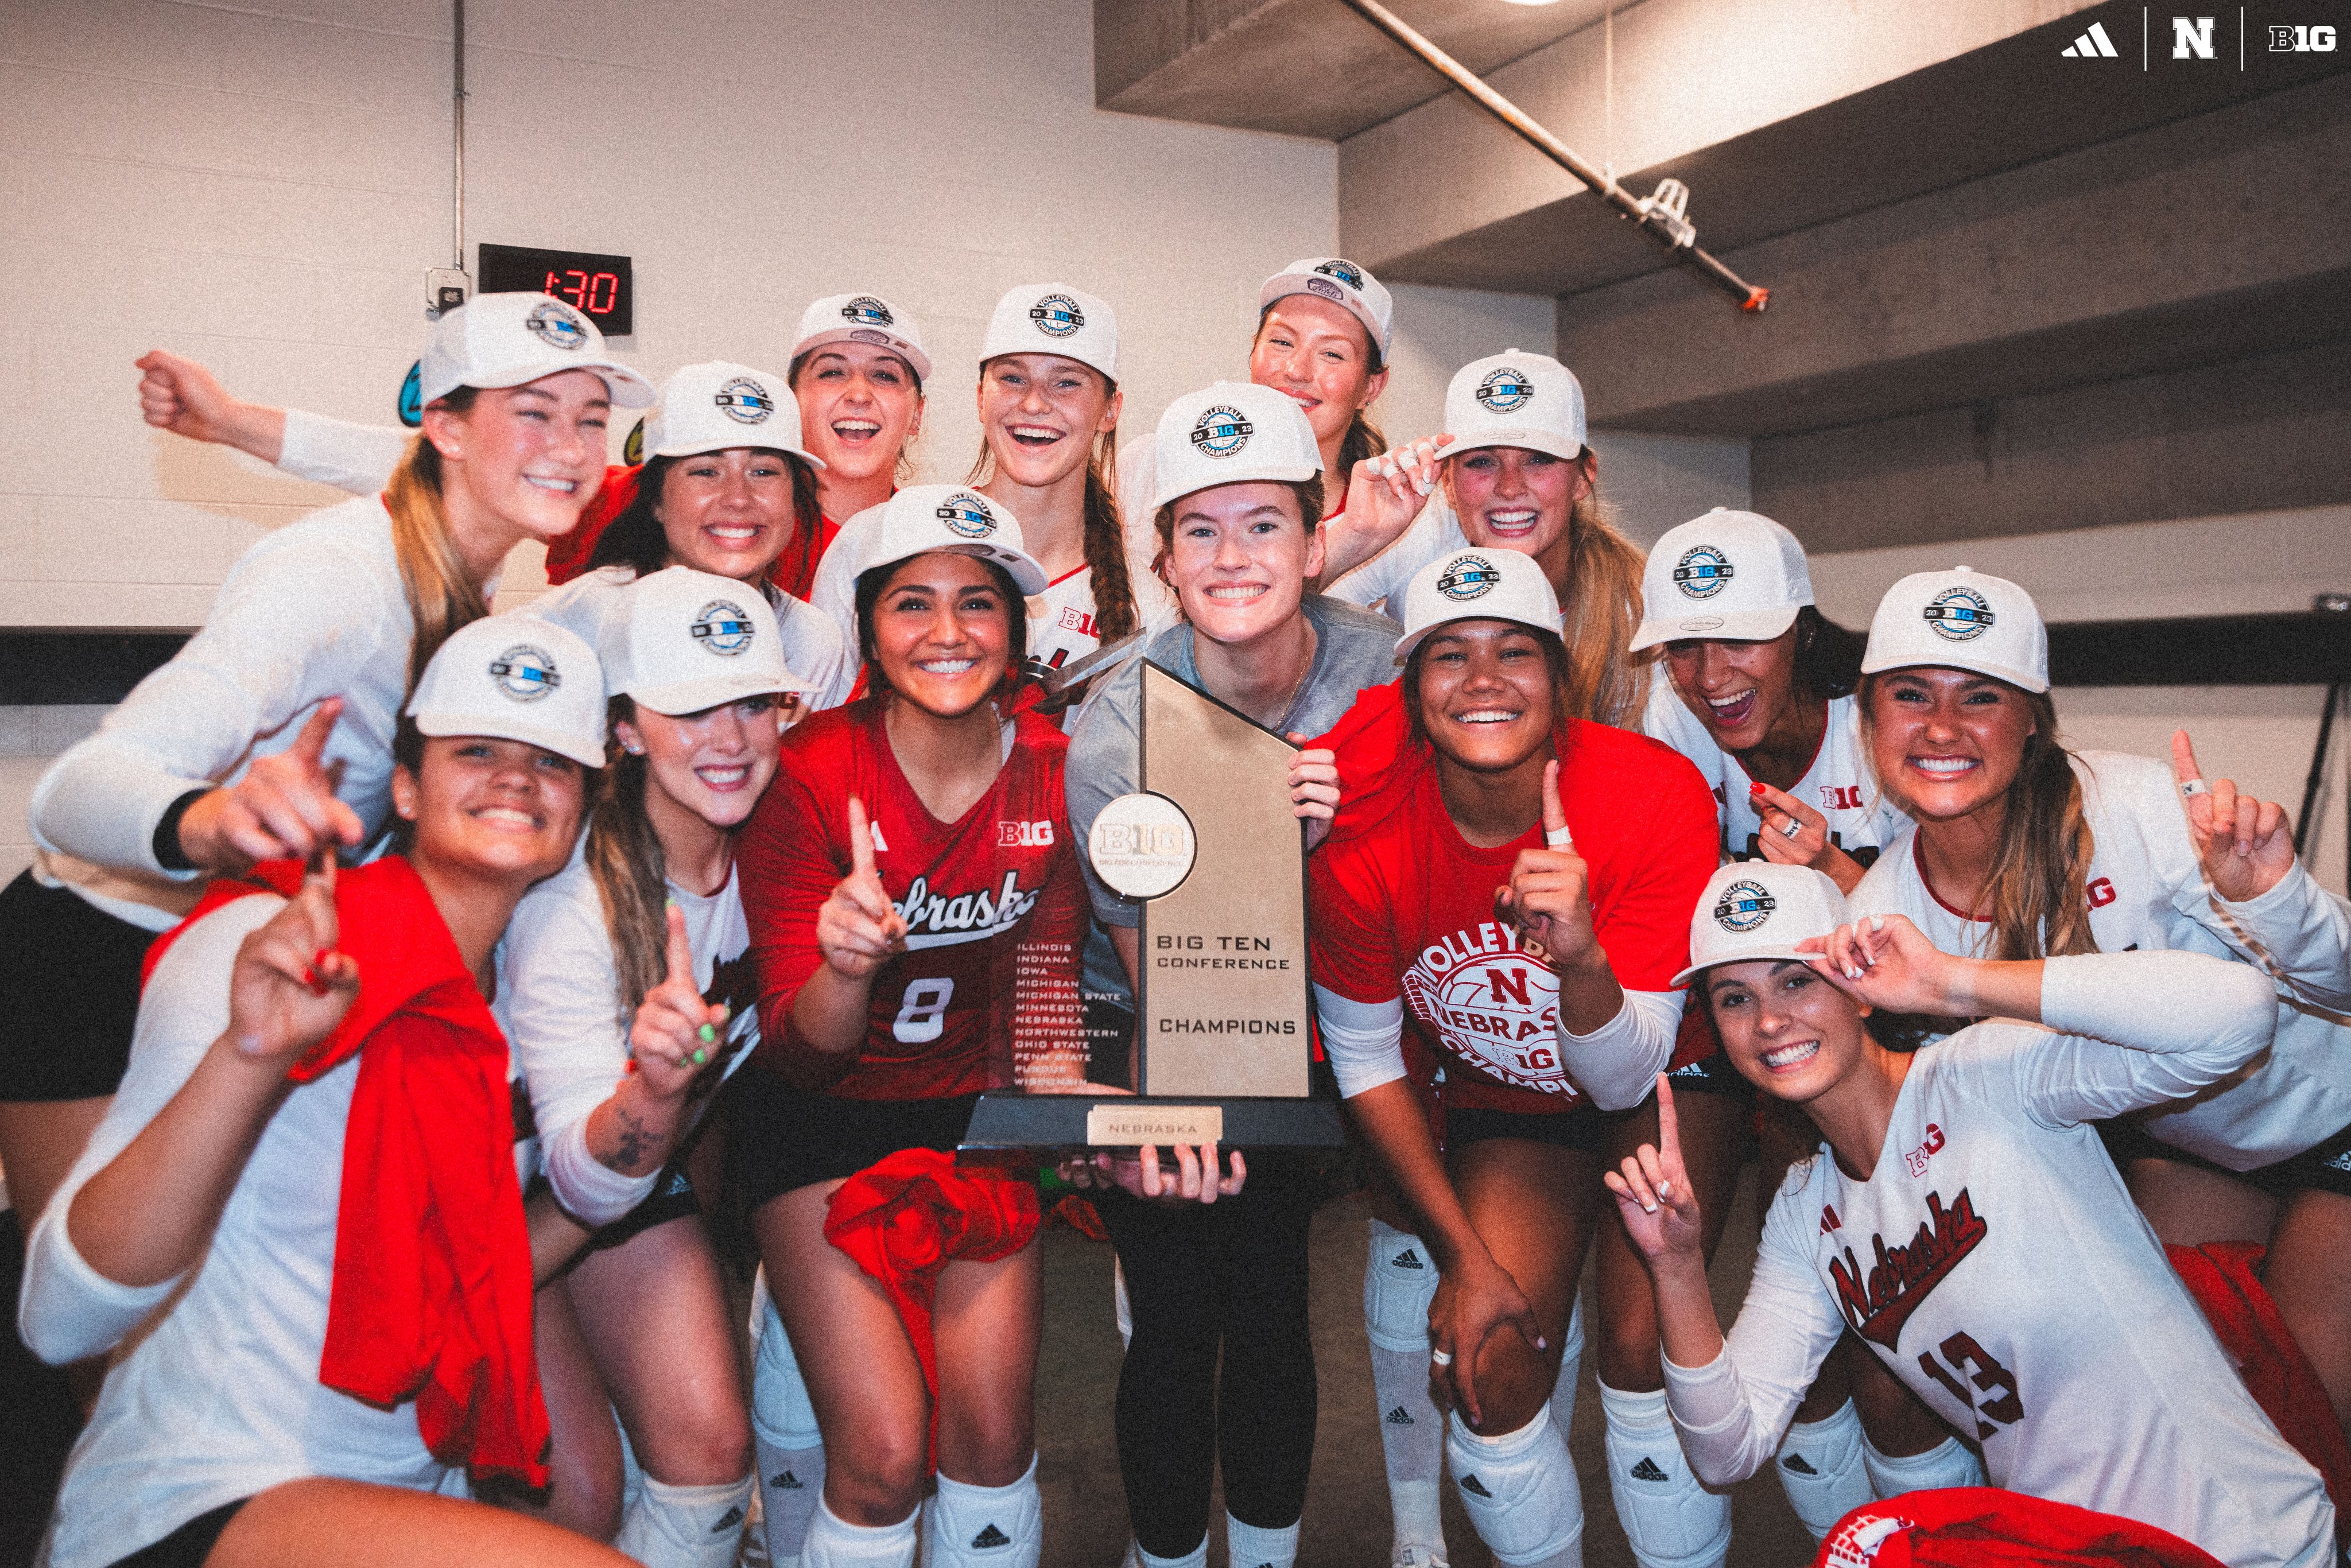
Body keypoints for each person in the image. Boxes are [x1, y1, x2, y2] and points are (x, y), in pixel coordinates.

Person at [2, 292, 649, 1240]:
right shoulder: (331, 576)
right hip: (101, 949)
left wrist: (232, 422)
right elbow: (70, 794)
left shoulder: (464, 546)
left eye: (592, 419)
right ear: (446, 427)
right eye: (535, 411)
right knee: (107, 1331)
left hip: (261, 969)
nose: (571, 446)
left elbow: (392, 451)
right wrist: (207, 821)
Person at [19, 618, 639, 1568]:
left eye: (551, 760)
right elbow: (60, 1317)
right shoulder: (267, 948)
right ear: (404, 785)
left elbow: (475, 1266)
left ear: (579, 813)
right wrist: (250, 1053)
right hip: (204, 1492)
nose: (516, 776)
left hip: (400, 1493)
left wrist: (658, 1120)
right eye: (476, 748)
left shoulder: (530, 1022)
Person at [1607, 858, 2336, 1568]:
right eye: (1734, 997)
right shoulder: (1807, 1212)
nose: (1769, 1019)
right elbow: (1726, 1450)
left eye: (1796, 979)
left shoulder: (1987, 1075)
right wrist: (1674, 1268)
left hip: (2245, 1540)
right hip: (2069, 1547)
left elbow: (2238, 1013)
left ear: (1858, 988)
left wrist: (1949, 981)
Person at [1316, 352, 1697, 1568]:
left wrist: (1579, 954)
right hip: (1506, 1096)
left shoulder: (1651, 752)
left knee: (1649, 1356)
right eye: (1447, 657)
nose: (1481, 680)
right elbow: (1365, 1056)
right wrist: (1468, 1255)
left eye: (1512, 655)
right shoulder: (1365, 800)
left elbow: (1626, 1061)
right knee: (1486, 1349)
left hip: (1668, 1062)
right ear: (1410, 680)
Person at [1845, 566, 2351, 1445]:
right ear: (1869, 717)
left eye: (1982, 698)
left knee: (2304, 1416)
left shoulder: (2135, 806)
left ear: (2033, 718)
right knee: (2149, 1380)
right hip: (2198, 1149)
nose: (1941, 727)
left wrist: (2276, 899)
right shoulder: (1882, 915)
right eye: (1911, 694)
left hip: (2339, 1120)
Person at [1058, 379, 1398, 1568]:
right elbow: (1163, 965)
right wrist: (1269, 848)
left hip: (1323, 1007)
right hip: (1154, 1003)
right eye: (1198, 529)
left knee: (1266, 1296)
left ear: (1315, 543)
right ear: (1162, 561)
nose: (1233, 555)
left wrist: (1345, 835)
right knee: (1179, 1293)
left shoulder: (1388, 676)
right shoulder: (1116, 732)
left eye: (1262, 524)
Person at [728, 486, 1092, 1568]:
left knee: (987, 1438)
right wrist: (847, 966)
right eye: (912, 604)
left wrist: (1078, 1099)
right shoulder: (805, 773)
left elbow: (1045, 985)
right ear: (870, 630)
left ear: (1017, 630)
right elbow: (801, 1047)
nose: (947, 633)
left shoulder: (1057, 770)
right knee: (886, 1452)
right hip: (819, 1119)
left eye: (978, 603)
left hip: (977, 1115)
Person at [499, 568, 810, 1564]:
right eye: (688, 708)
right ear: (625, 727)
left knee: (709, 1459)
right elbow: (582, 1176)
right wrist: (656, 1091)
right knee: (584, 1494)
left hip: (622, 1188)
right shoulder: (574, 900)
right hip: (490, 1208)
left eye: (752, 702)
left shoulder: (777, 853)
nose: (729, 737)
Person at [1627, 507, 1914, 1536]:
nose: (1711, 674)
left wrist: (1841, 873)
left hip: (1925, 1047)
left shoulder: (1881, 723)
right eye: (1686, 645)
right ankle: (1860, 1540)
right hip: (1775, 1047)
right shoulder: (1671, 715)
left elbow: (1967, 932)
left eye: (1739, 636)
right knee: (1809, 1306)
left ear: (1799, 623)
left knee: (1903, 1350)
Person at [126, 288, 930, 600]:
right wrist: (232, 422)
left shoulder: (934, 549)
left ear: (918, 413)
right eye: (832, 371)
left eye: (887, 377)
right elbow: (470, 469)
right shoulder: (688, 506)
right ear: (794, 397)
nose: (858, 394)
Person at [813, 284, 1141, 704]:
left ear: (1110, 409)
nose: (1035, 404)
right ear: (981, 398)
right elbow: (816, 731)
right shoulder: (875, 537)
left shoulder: (1149, 604)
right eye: (1013, 378)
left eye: (1066, 383)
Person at [1322, 351, 1647, 735]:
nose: (1510, 487)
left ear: (1583, 477)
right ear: (1448, 483)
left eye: (1538, 460)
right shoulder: (1416, 534)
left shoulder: (1635, 603)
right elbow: (1284, 634)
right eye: (1482, 462)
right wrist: (1358, 537)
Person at [541, 359, 850, 719]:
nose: (738, 497)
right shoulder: (573, 625)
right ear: (656, 500)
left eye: (764, 471)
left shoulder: (812, 641)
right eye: (706, 471)